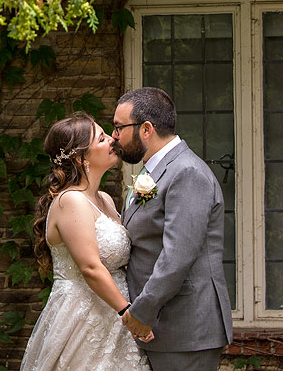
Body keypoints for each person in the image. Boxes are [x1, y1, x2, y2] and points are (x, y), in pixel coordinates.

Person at [20, 112, 152, 371]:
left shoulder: (104, 199)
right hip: (85, 317)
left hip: (114, 318)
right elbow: (90, 267)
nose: (112, 141)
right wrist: (128, 313)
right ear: (80, 158)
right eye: (102, 139)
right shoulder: (71, 200)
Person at [113, 87, 233, 371]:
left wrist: (142, 311)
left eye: (119, 127)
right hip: (164, 327)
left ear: (146, 129)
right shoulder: (155, 172)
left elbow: (177, 257)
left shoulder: (186, 172)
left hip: (185, 328)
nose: (114, 135)